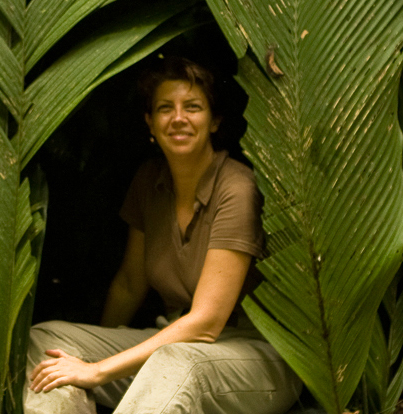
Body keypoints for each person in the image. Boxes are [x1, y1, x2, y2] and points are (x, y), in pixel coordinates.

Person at [24, 57, 300, 414]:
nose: (179, 118)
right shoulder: (149, 182)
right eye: (165, 108)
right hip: (172, 342)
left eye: (193, 107)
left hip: (253, 358)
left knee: (177, 363)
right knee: (47, 341)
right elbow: (129, 284)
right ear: (150, 123)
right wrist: (88, 363)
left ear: (214, 121)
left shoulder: (237, 187)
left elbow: (205, 324)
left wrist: (97, 371)